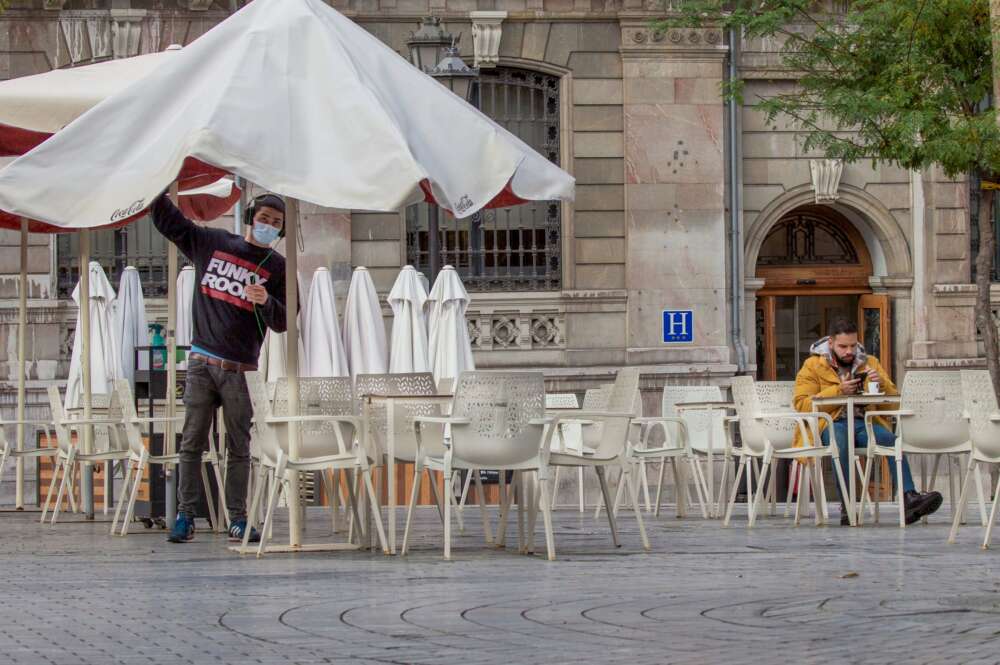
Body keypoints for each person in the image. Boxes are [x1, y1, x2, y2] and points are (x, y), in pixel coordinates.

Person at [151, 191, 288, 544]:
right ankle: (184, 516)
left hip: (241, 369)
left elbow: (286, 321)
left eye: (276, 223)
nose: (268, 226)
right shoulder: (212, 242)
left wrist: (266, 301)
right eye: (264, 218)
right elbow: (171, 224)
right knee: (192, 441)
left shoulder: (278, 267)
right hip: (201, 361)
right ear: (250, 216)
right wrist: (157, 181)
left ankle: (238, 519)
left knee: (239, 447)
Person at [793, 317, 942, 525]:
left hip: (864, 423)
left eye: (853, 346)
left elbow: (892, 405)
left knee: (891, 439)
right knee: (840, 439)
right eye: (843, 346)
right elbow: (802, 404)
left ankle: (910, 498)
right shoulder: (813, 365)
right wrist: (838, 392)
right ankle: (847, 504)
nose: (849, 351)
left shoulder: (870, 362)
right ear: (831, 344)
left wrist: (881, 384)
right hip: (829, 423)